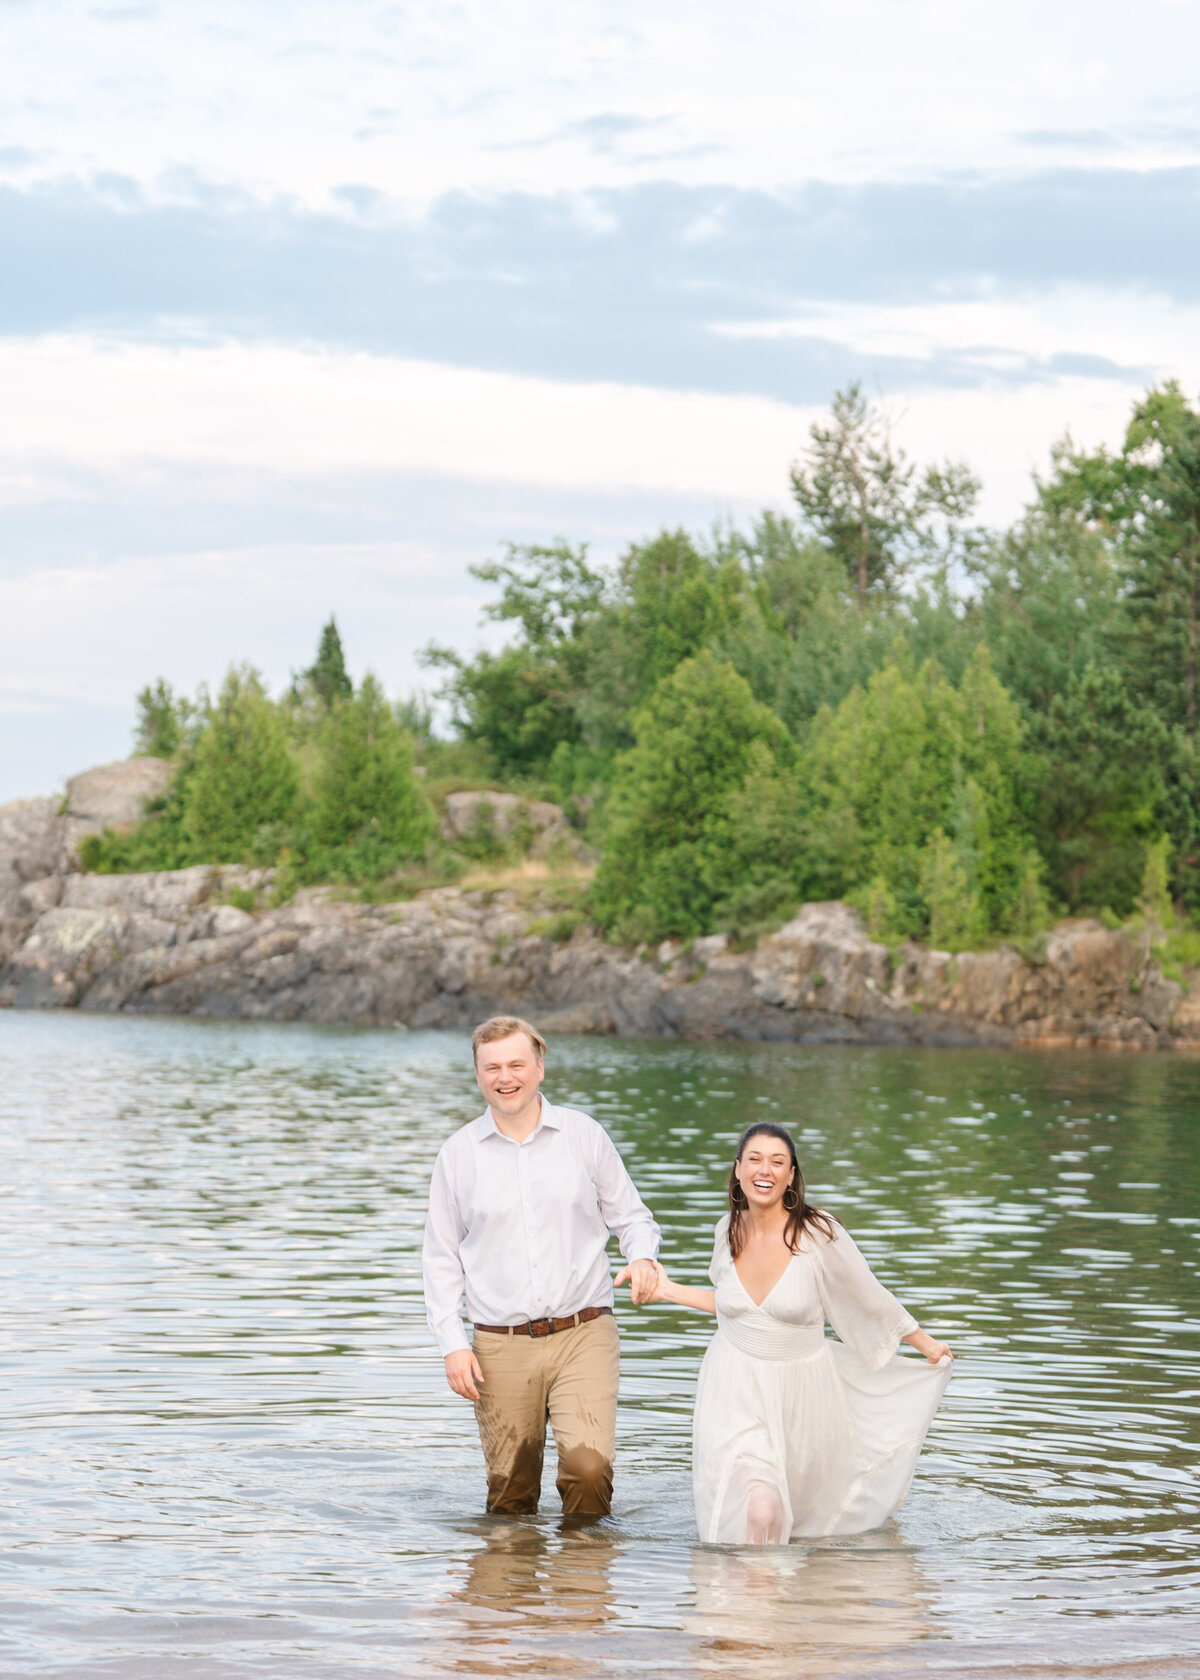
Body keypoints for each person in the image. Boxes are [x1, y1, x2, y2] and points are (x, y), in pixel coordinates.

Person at [617, 1122, 951, 1543]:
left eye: (778, 1162)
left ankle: (774, 1603)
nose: (765, 1170)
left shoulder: (818, 1233)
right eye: (755, 1159)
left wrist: (926, 1344)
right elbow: (733, 1307)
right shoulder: (728, 1230)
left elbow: (869, 1297)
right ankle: (753, 1602)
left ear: (791, 1175)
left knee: (797, 1522)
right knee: (760, 1511)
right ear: (738, 1170)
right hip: (733, 1388)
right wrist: (666, 1290)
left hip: (803, 1395)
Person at [422, 1015, 661, 1517]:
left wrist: (642, 1257)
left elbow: (632, 1217)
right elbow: (441, 1260)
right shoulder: (458, 1155)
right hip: (498, 1343)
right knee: (510, 1493)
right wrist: (453, 1346)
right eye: (492, 1067)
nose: (505, 1077)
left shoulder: (584, 1135)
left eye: (516, 1064)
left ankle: (583, 1586)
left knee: (589, 1473)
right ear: (478, 1073)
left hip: (584, 1331)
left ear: (540, 1067)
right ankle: (508, 1592)